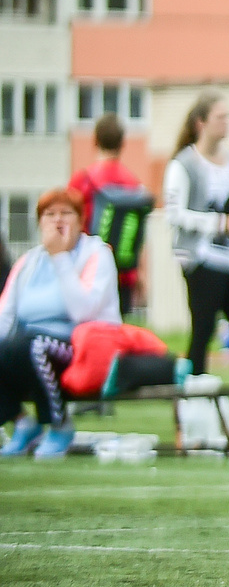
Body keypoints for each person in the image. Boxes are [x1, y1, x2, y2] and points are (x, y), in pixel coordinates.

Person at [0, 189, 117, 457]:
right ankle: (21, 423)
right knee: (20, 345)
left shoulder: (97, 254)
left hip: (82, 345)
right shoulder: (28, 262)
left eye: (66, 213)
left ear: (80, 220)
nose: (57, 221)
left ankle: (59, 424)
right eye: (50, 215)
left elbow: (83, 311)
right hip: (28, 345)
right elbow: (6, 315)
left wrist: (60, 257)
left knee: (33, 346)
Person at [165, 92, 229, 388]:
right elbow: (174, 214)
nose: (226, 123)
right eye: (220, 117)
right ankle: (192, 398)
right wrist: (222, 223)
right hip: (200, 259)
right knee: (203, 330)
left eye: (228, 117)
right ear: (201, 123)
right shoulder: (184, 164)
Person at [66, 113, 144, 315]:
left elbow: (69, 225)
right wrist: (139, 273)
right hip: (122, 271)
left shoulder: (82, 181)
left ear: (94, 140)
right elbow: (138, 231)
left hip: (87, 267)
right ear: (122, 143)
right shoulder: (132, 184)